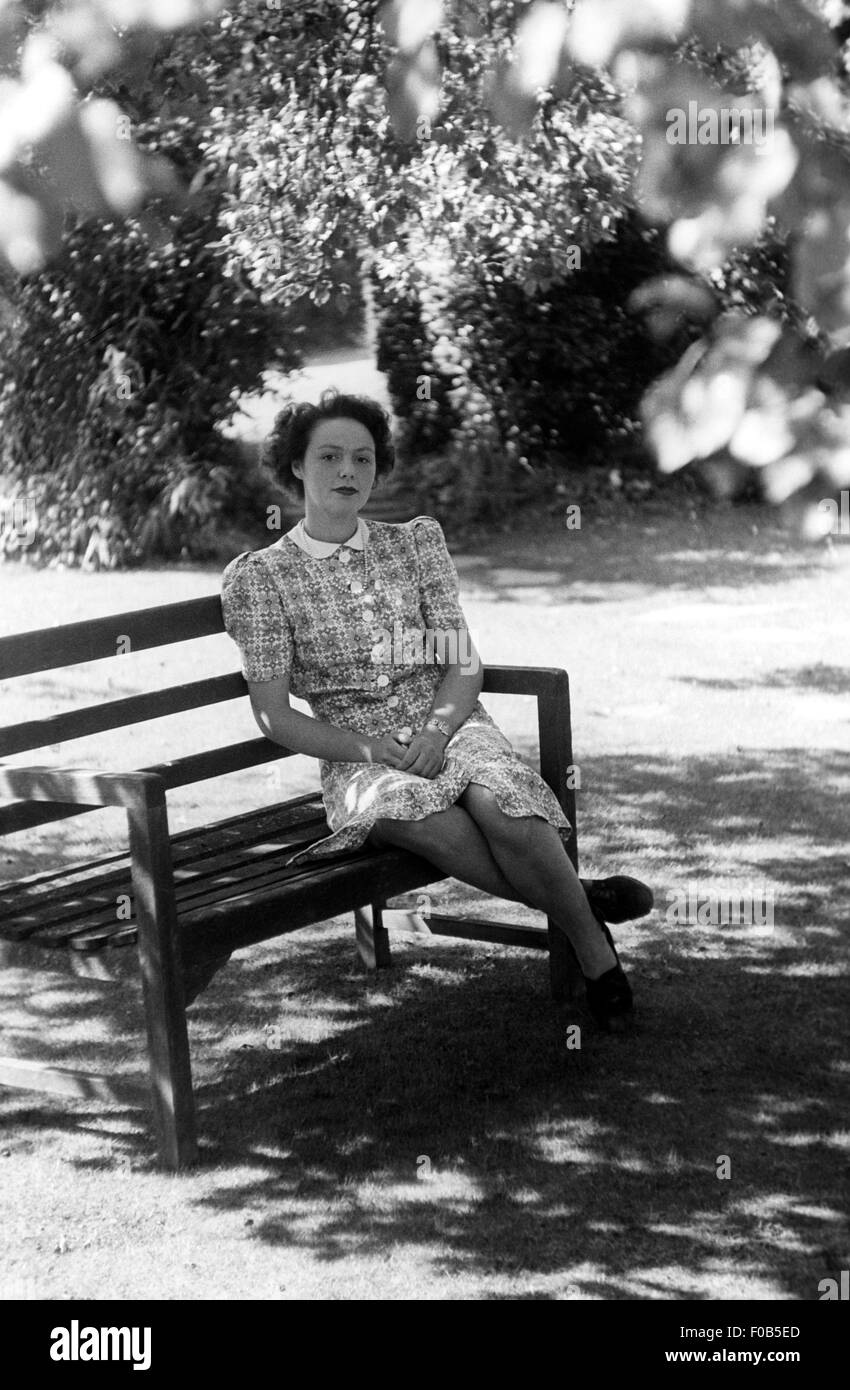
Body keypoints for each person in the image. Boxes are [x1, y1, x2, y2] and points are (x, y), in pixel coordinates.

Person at [221, 389, 650, 1031]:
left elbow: (462, 661)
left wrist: (439, 727)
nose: (347, 473)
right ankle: (589, 929)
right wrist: (369, 750)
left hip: (446, 721)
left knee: (504, 800)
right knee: (415, 809)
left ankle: (583, 929)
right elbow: (273, 716)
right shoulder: (262, 579)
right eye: (330, 457)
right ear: (296, 468)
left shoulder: (414, 544)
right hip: (359, 755)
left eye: (362, 459)